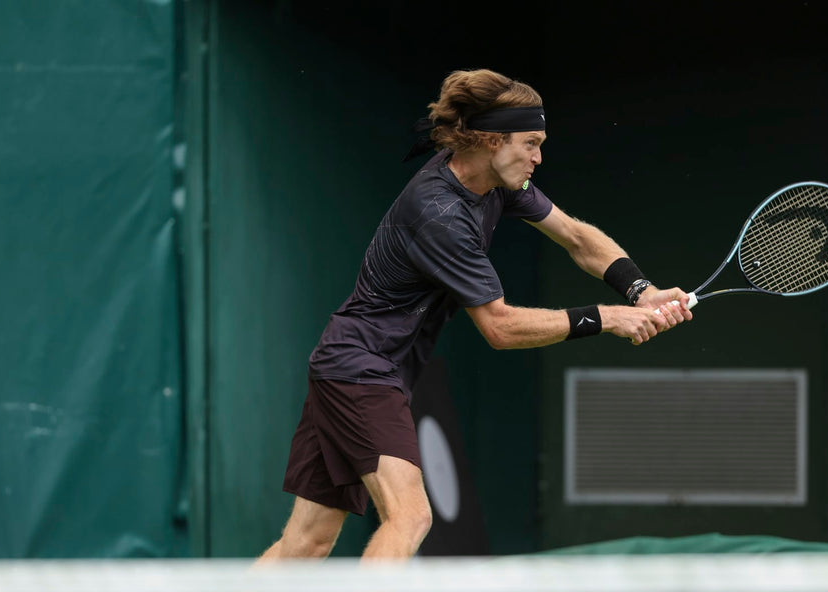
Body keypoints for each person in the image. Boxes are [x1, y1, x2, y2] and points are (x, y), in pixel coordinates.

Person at [262, 68, 692, 564]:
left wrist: (640, 290)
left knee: (305, 544)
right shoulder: (441, 215)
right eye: (530, 142)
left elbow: (575, 237)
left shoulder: (498, 181)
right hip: (363, 370)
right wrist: (608, 318)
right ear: (491, 140)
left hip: (349, 365)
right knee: (411, 515)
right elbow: (500, 328)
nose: (538, 156)